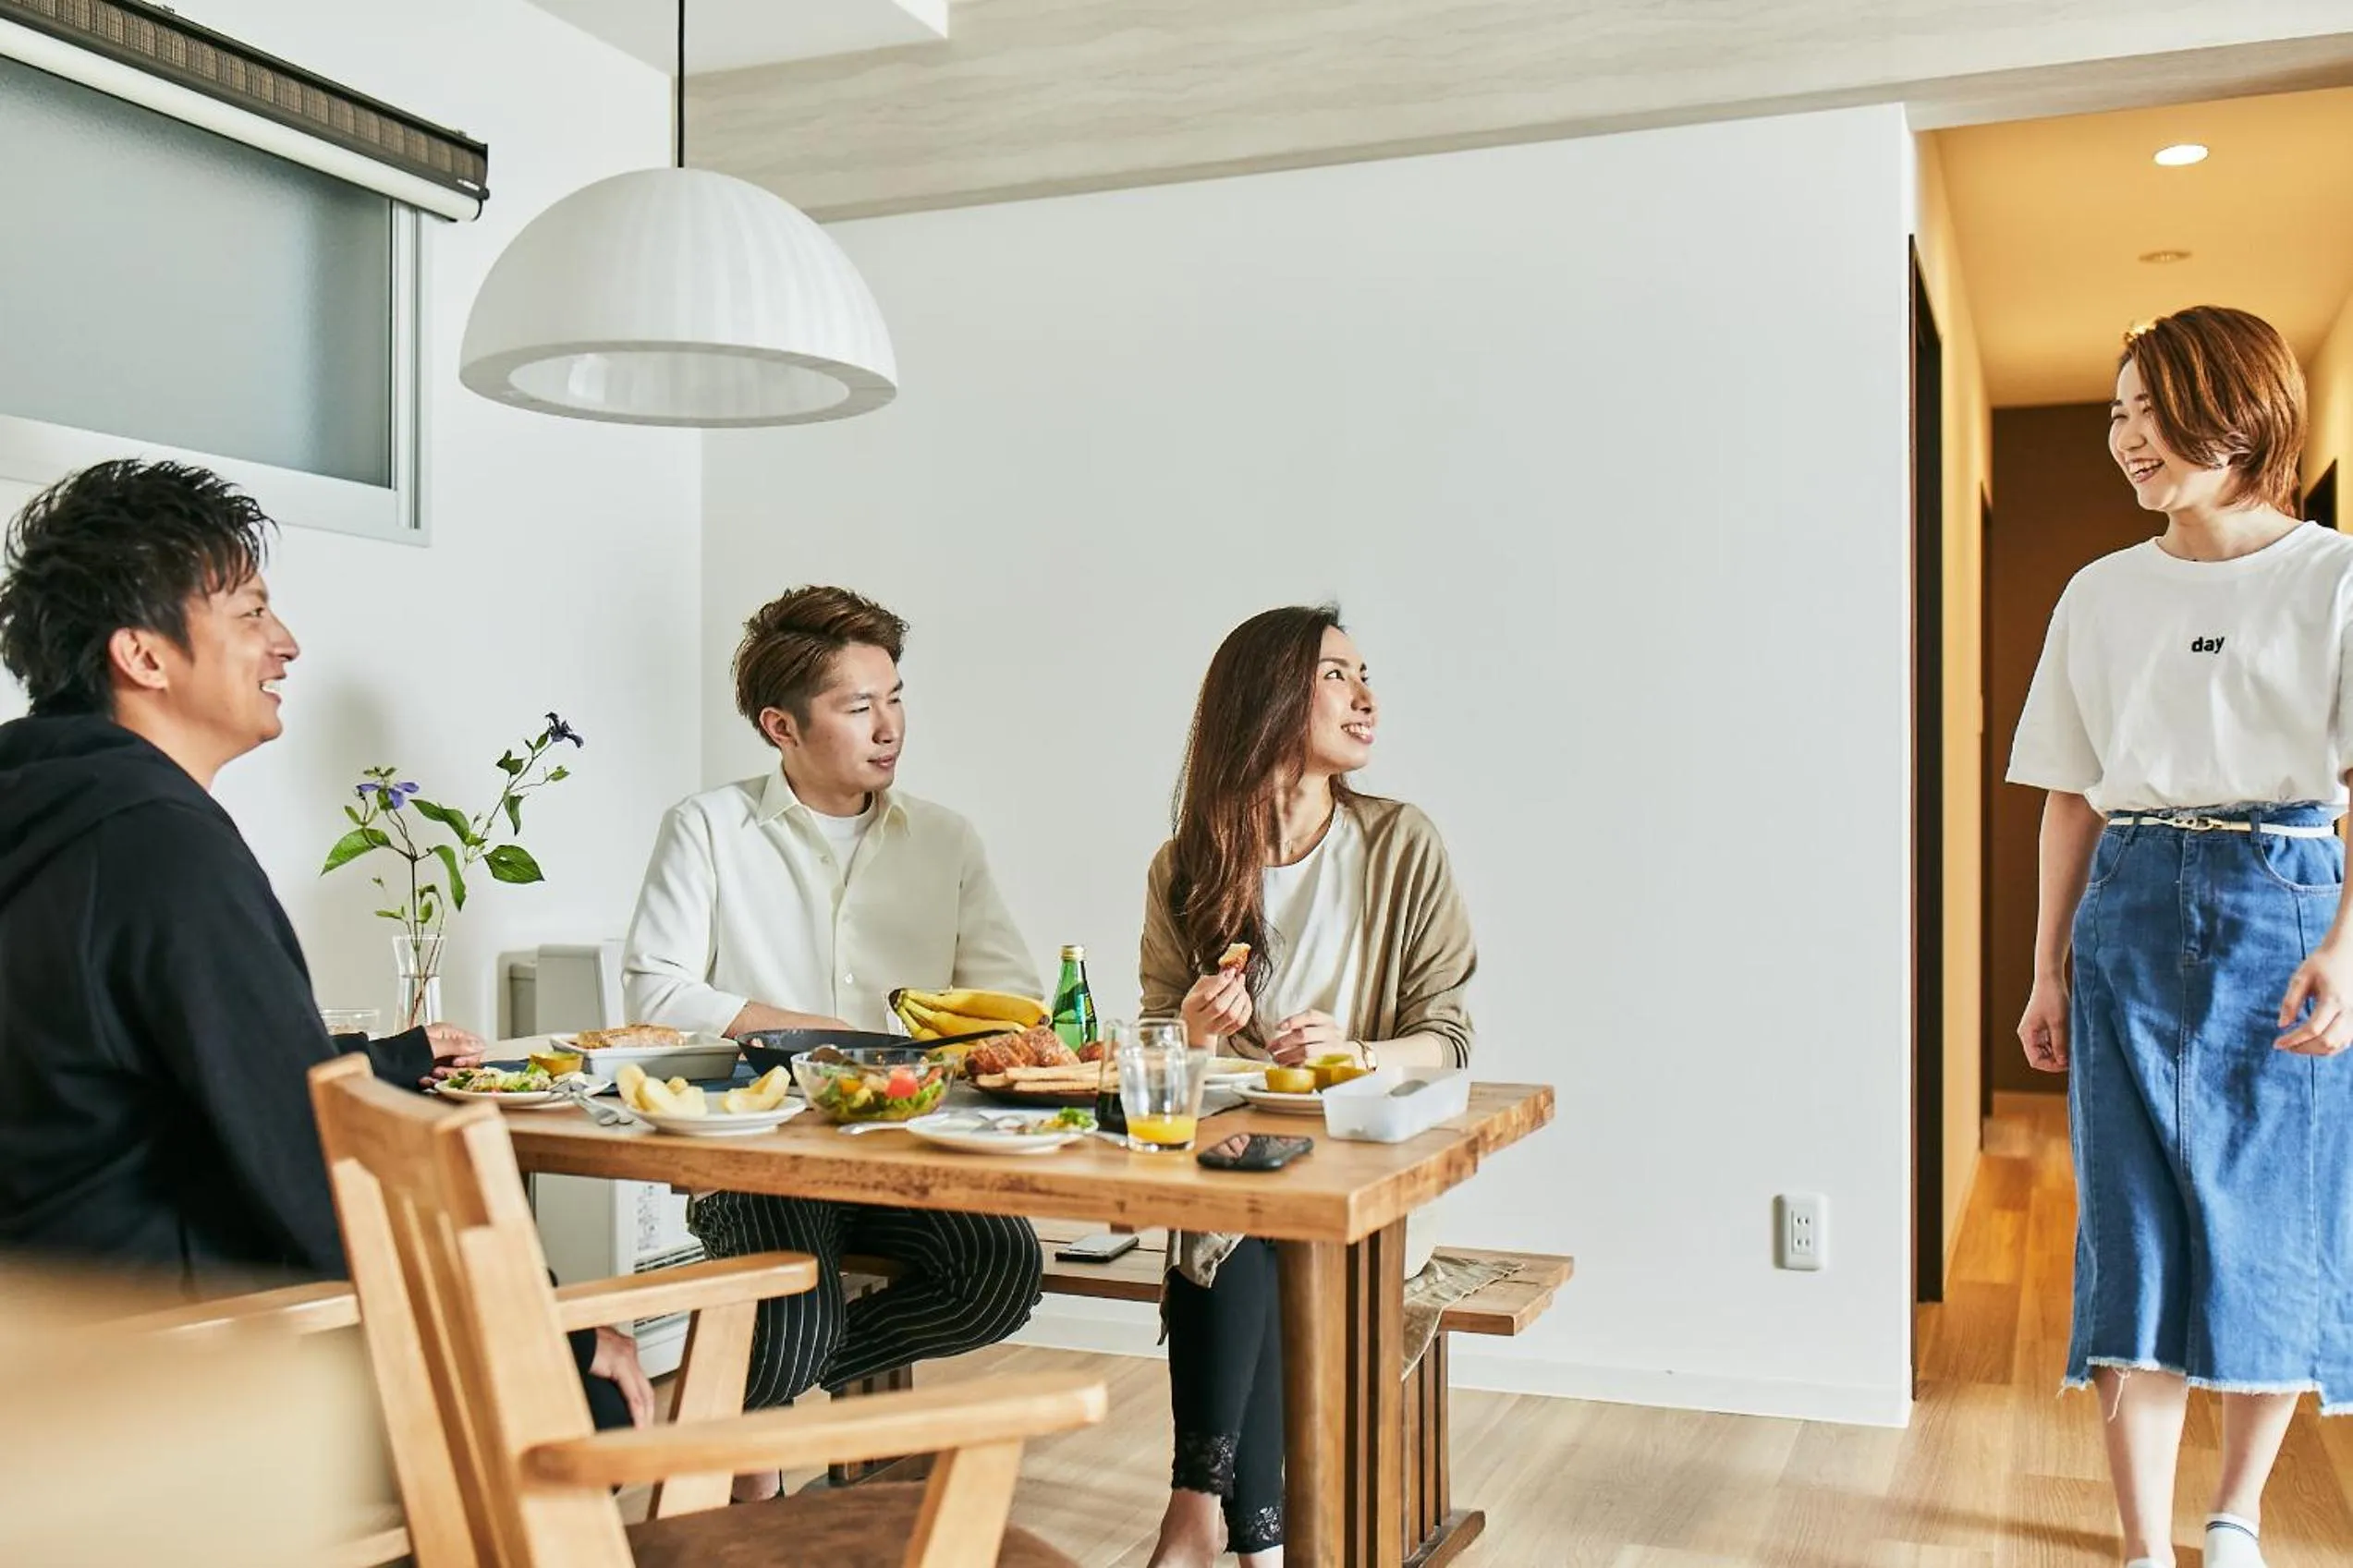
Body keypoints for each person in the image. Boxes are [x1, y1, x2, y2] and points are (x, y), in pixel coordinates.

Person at [0, 458, 652, 1428]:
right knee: (582, 1392)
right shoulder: (159, 844)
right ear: (144, 656)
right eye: (251, 613)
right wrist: (547, 1324)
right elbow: (309, 1161)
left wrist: (384, 1057)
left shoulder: (43, 811)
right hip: (170, 1371)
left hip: (47, 1340)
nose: (286, 643)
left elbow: (161, 1079)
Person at [2009, 306, 2353, 1568]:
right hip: (2131, 900)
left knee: (2276, 1227)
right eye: (2117, 412)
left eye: (2153, 410)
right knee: (2132, 1231)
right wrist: (2043, 967)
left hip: (2288, 900)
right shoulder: (2099, 593)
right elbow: (2067, 796)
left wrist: (2346, 949)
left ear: (2240, 410)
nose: (2127, 437)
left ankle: (2234, 1514)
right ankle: (2145, 1546)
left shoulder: (2332, 577)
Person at [624, 585, 1044, 1499]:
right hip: (764, 1149)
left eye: (894, 698)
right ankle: (755, 1467)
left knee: (1001, 1274)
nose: (889, 727)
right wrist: (826, 1037)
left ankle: (739, 1406)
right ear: (780, 726)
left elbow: (1013, 996)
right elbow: (656, 988)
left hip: (913, 1142)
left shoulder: (945, 839)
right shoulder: (707, 827)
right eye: (858, 707)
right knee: (790, 1324)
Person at [1137, 605, 1476, 1566]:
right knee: (1239, 1210)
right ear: (1268, 697)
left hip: (1368, 1168)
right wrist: (1191, 1030)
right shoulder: (1186, 865)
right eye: (1337, 675)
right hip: (1233, 1161)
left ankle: (1196, 1515)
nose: (1365, 698)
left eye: (1365, 676)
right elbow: (1154, 1039)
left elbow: (1448, 1042)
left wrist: (1359, 1051)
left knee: (1251, 1223)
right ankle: (1251, 1540)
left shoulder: (1402, 845)